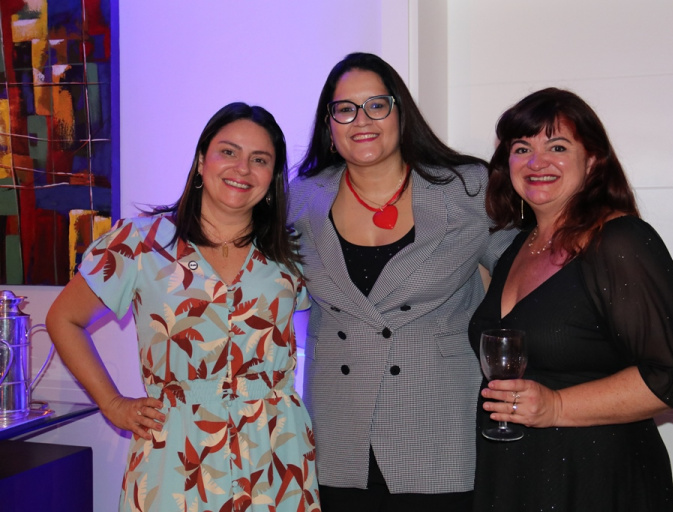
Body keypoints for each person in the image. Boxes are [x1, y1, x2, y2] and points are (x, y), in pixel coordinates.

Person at [46, 103, 320, 512]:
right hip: (176, 454)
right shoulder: (140, 243)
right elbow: (63, 318)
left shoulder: (292, 251)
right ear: (201, 160)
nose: (242, 168)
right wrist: (113, 404)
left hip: (275, 455)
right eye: (228, 152)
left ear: (272, 178)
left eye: (259, 159)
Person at [469, 87, 673, 511]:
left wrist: (555, 406)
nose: (536, 162)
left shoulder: (620, 241)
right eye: (522, 148)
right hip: (514, 470)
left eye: (557, 147)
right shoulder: (515, 247)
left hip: (596, 476)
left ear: (593, 161)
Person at [288, 52, 514, 511]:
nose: (361, 120)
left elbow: (531, 275)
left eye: (376, 105)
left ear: (400, 112)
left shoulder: (468, 189)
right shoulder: (299, 199)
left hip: (439, 432)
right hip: (337, 439)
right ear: (329, 125)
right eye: (345, 109)